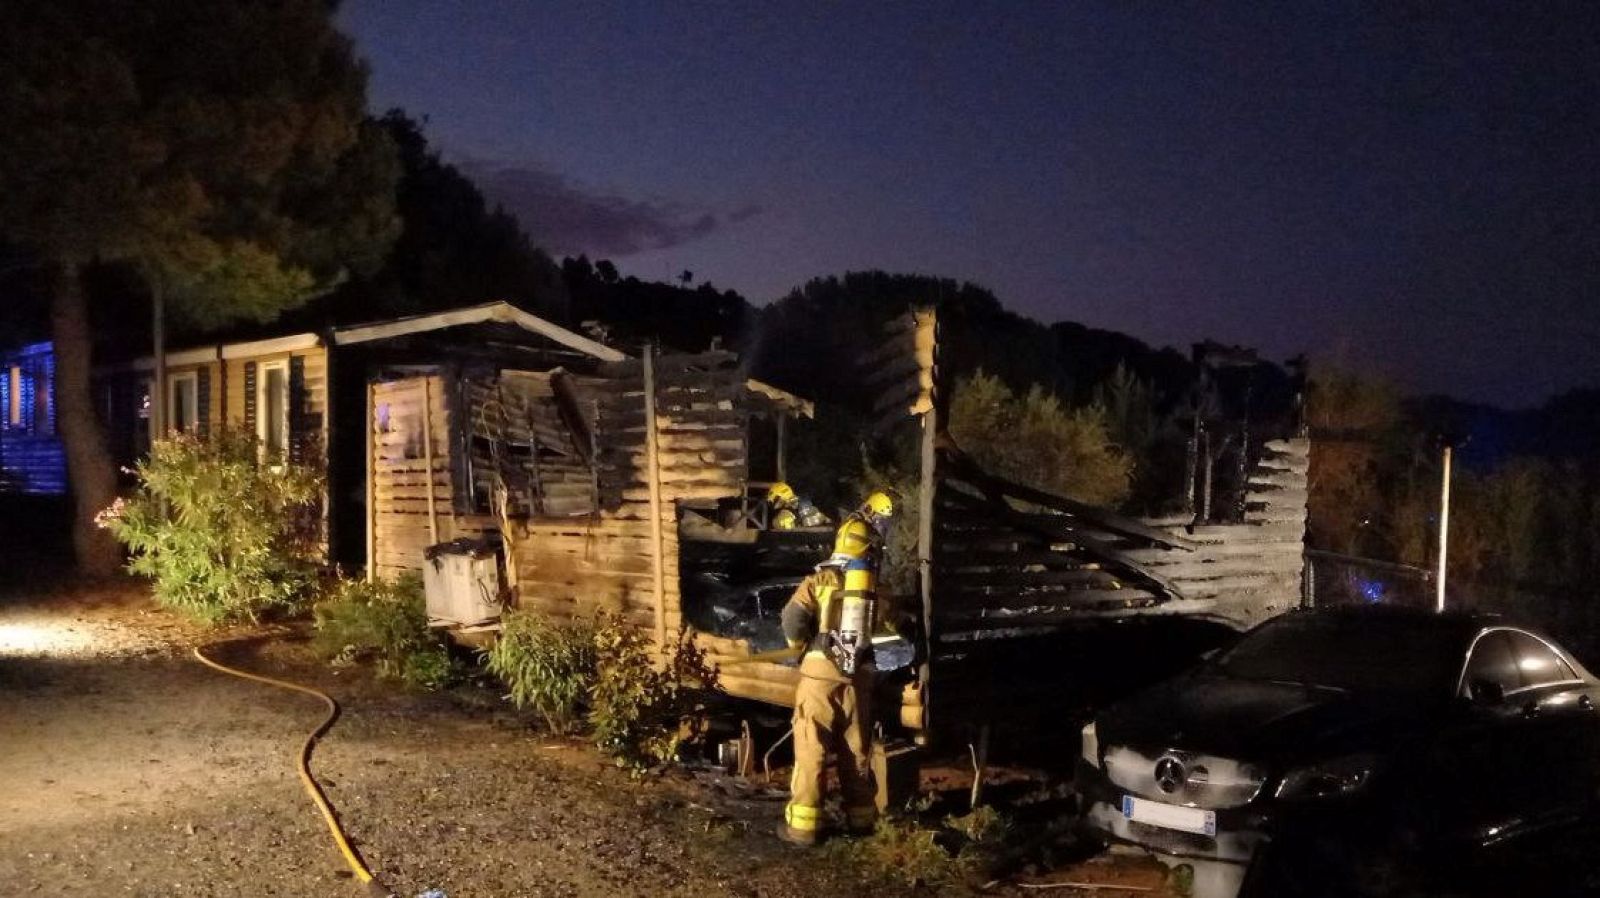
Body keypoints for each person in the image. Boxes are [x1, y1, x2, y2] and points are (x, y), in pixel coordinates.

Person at [777, 489, 896, 845]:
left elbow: (792, 618)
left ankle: (803, 828)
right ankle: (861, 821)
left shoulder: (819, 581)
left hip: (819, 676)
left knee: (811, 749)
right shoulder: (877, 591)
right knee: (855, 752)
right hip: (858, 679)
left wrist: (798, 647)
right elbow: (889, 628)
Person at [765, 481, 830, 530]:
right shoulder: (798, 504)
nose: (774, 505)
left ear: (781, 497)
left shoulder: (802, 505)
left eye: (775, 500)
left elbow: (812, 521)